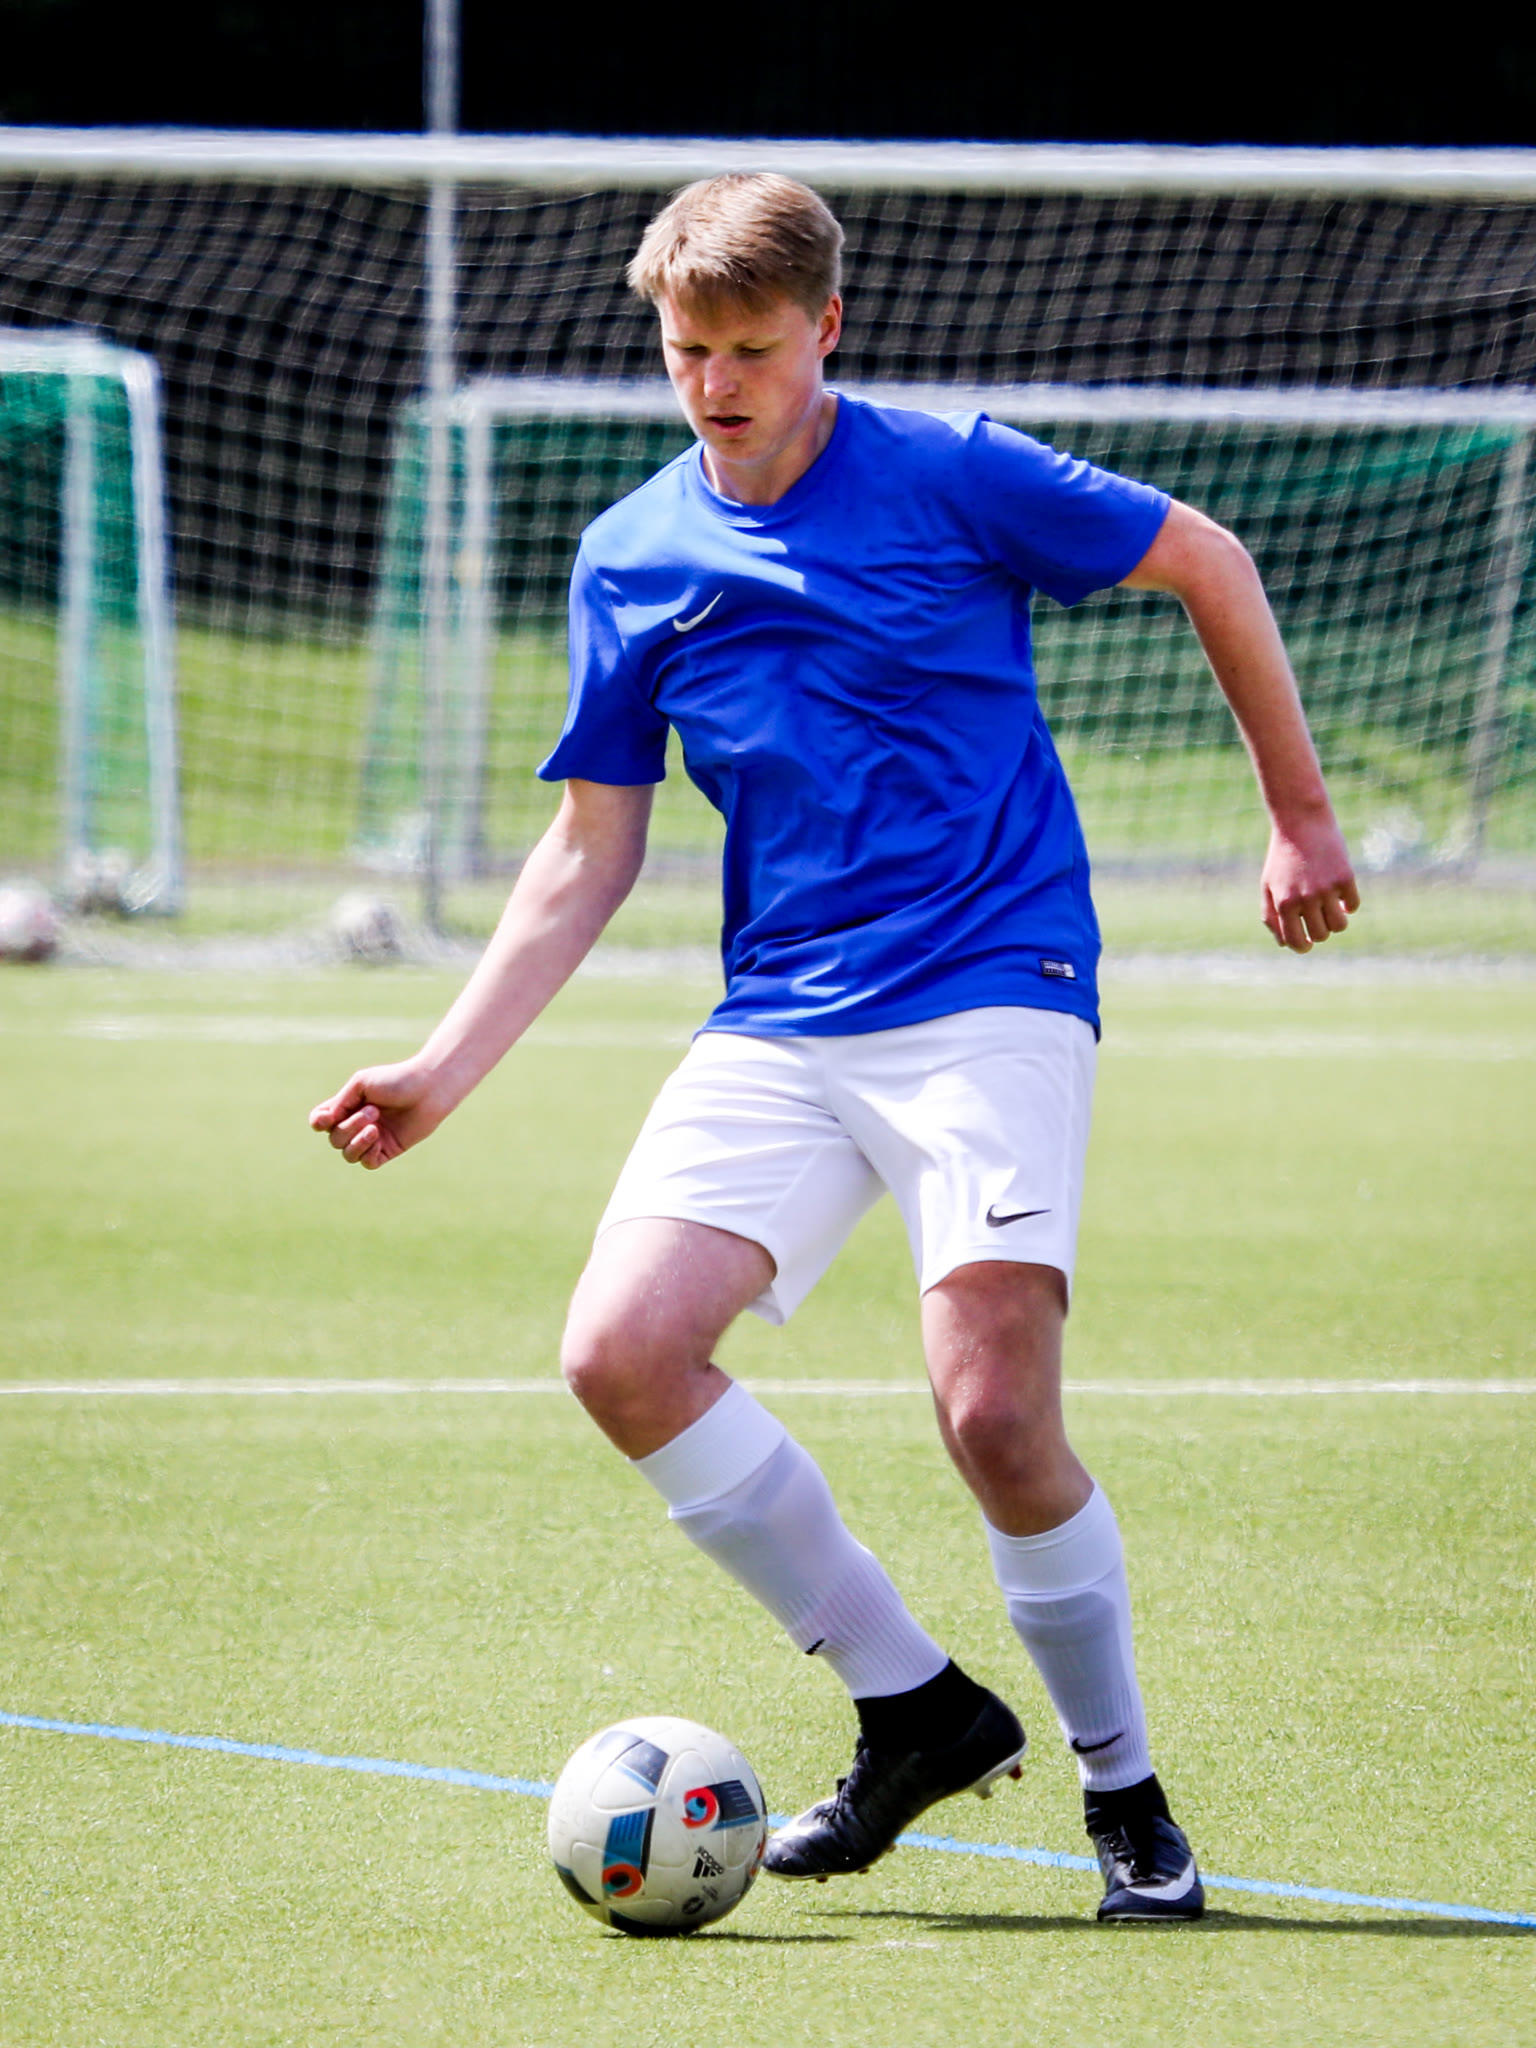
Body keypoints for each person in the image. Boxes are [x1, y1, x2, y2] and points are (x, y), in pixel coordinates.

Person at [311, 174, 1359, 1922]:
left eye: (752, 348)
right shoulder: (632, 554)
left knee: (995, 1414)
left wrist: (1301, 818)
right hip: (783, 1012)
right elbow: (589, 847)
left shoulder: (954, 472)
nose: (717, 383)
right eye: (687, 351)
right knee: (621, 1353)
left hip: (995, 980)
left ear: (828, 330)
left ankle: (1125, 1795)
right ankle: (915, 1709)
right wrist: (441, 1069)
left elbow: (1207, 559)